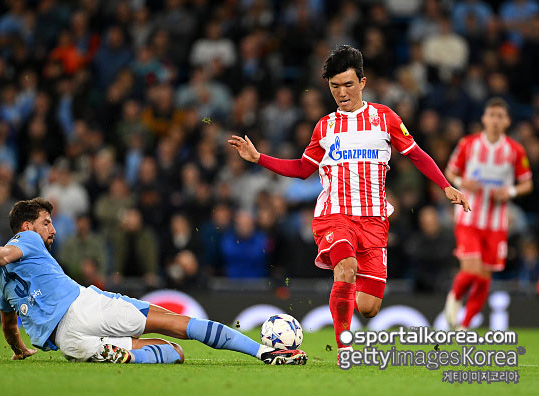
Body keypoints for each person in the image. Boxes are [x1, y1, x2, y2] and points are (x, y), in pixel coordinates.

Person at [228, 45, 470, 361]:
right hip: (334, 215)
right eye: (334, 86)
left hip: (374, 220)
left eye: (348, 84)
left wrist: (445, 186)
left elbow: (416, 154)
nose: (341, 93)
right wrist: (259, 158)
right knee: (345, 268)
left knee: (369, 307)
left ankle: (341, 302)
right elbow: (303, 169)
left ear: (363, 83)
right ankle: (345, 348)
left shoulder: (385, 118)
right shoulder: (324, 127)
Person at [0, 198, 306, 365]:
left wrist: (19, 350)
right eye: (46, 222)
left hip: (68, 342)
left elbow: (8, 324)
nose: (53, 229)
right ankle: (265, 352)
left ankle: (123, 354)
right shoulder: (23, 241)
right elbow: (1, 253)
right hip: (86, 307)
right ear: (27, 227)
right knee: (180, 328)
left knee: (170, 355)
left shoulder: (2, 283)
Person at [443, 98, 533, 330]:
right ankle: (454, 296)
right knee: (471, 270)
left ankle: (463, 326)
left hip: (496, 223)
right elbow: (450, 172)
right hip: (469, 216)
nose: (495, 120)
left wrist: (510, 191)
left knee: (484, 278)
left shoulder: (515, 150)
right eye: (491, 115)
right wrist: (463, 182)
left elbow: (527, 184)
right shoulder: (468, 144)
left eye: (500, 116)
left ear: (507, 121)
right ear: (484, 118)